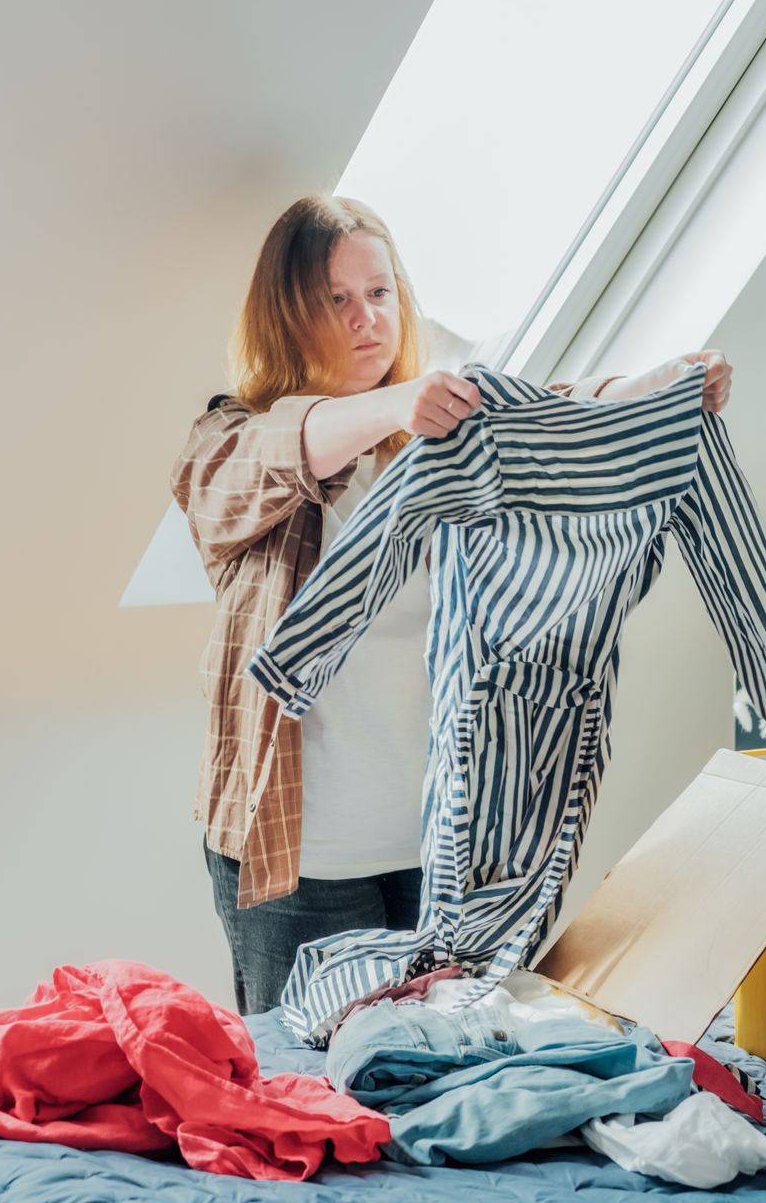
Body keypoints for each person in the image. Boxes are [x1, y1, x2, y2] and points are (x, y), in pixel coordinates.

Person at [171, 194, 734, 1014]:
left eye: (380, 293)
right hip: (300, 860)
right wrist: (397, 405)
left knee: (449, 1066)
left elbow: (552, 412)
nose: (367, 318)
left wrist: (656, 389)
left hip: (447, 852)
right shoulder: (230, 439)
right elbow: (261, 459)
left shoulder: (445, 444)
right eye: (337, 300)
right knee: (307, 1087)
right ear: (288, 315)